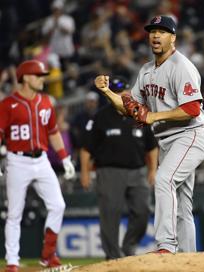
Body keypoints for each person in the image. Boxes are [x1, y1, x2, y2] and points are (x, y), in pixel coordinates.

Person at [94, 15, 204, 253]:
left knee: (164, 180)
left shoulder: (182, 66)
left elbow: (192, 109)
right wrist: (107, 92)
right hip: (168, 141)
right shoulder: (147, 70)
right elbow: (130, 108)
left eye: (162, 31)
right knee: (181, 206)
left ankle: (166, 246)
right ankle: (189, 260)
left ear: (173, 38)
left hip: (191, 135)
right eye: (152, 31)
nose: (156, 35)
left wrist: (154, 116)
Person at [0, 60, 75, 272]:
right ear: (26, 78)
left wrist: (65, 157)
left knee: (58, 205)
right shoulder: (8, 104)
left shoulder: (45, 102)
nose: (43, 79)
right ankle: (12, 261)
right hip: (17, 161)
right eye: (39, 75)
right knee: (14, 213)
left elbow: (53, 132)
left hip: (41, 160)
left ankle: (48, 255)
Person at [80, 76, 158, 259]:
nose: (124, 94)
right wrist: (84, 173)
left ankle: (129, 246)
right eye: (119, 91)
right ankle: (113, 258)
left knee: (142, 211)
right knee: (110, 215)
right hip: (109, 172)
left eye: (126, 90)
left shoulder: (139, 113)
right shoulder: (100, 116)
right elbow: (86, 149)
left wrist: (153, 169)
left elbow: (152, 146)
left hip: (138, 171)